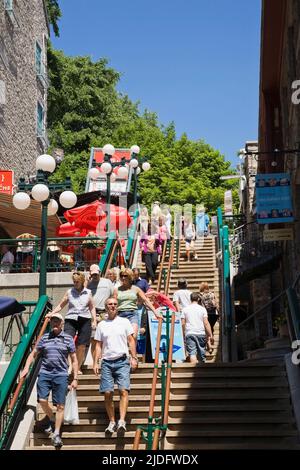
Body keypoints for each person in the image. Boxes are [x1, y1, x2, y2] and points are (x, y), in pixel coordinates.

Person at [20, 313, 78, 448]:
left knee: (60, 405)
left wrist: (75, 378)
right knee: (42, 401)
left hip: (61, 375)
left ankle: (57, 433)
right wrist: (27, 367)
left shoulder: (68, 339)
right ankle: (52, 418)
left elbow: (74, 360)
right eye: (53, 322)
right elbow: (33, 353)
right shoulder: (45, 338)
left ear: (62, 323)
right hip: (45, 374)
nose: (55, 324)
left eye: (57, 321)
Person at [93, 297, 138, 434]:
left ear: (117, 307)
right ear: (106, 307)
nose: (112, 306)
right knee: (107, 392)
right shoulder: (101, 325)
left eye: (114, 304)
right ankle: (112, 421)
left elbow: (131, 340)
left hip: (122, 360)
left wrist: (134, 357)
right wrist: (95, 361)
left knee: (124, 390)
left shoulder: (124, 322)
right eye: (109, 304)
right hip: (107, 361)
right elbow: (99, 345)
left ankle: (122, 420)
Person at [49, 272, 97, 373]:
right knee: (67, 341)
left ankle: (77, 367)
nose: (75, 284)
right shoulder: (69, 292)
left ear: (82, 281)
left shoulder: (88, 292)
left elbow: (92, 307)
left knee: (82, 345)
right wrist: (52, 313)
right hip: (71, 318)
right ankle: (69, 365)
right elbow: (61, 305)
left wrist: (94, 320)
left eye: (77, 282)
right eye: (74, 282)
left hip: (85, 318)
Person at [113, 268, 161, 339]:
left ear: (129, 277)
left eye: (125, 276)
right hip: (120, 314)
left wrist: (156, 313)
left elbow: (146, 300)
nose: (123, 277)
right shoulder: (116, 290)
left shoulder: (136, 289)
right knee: (121, 337)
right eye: (121, 276)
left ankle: (133, 350)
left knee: (134, 336)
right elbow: (113, 303)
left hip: (132, 314)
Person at [86, 264, 114, 361]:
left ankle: (106, 359)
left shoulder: (107, 282)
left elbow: (113, 295)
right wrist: (86, 282)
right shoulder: (88, 285)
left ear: (99, 273)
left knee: (107, 337)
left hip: (105, 312)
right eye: (93, 274)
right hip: (93, 313)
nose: (95, 276)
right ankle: (95, 361)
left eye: (96, 274)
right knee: (94, 338)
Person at [181, 292, 213, 363]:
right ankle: (200, 370)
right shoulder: (202, 309)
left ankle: (193, 369)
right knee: (201, 352)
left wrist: (183, 333)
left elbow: (183, 323)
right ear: (198, 299)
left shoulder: (185, 309)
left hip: (189, 333)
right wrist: (210, 334)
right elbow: (206, 323)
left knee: (192, 353)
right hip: (201, 333)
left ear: (190, 299)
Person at [199, 282, 219, 354]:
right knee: (211, 327)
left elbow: (200, 307)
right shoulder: (212, 294)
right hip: (214, 314)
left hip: (206, 314)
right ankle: (212, 337)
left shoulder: (201, 295)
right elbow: (216, 304)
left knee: (206, 330)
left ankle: (210, 347)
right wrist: (218, 314)